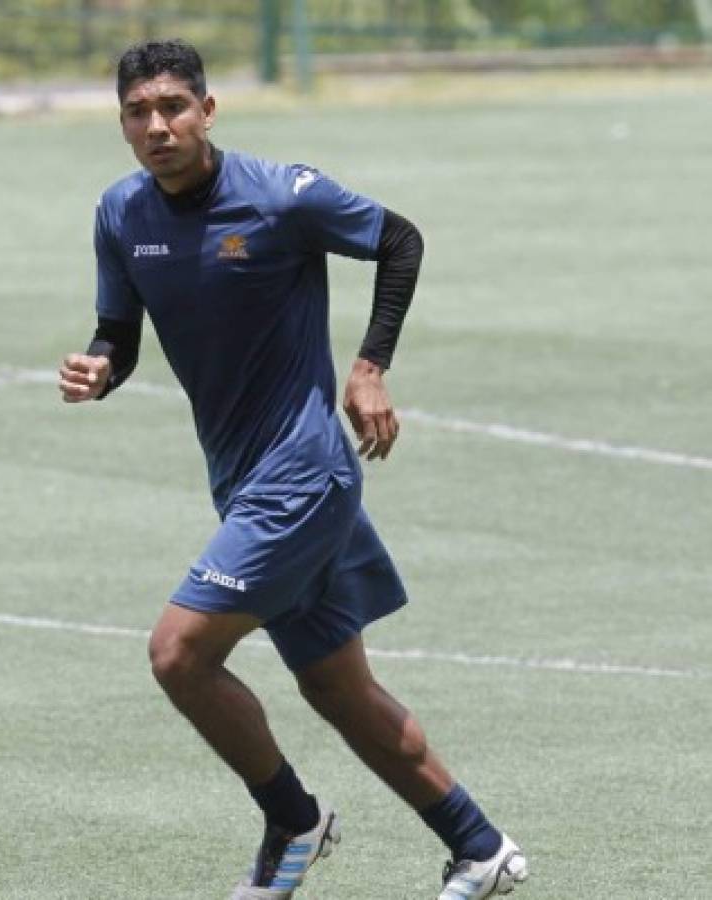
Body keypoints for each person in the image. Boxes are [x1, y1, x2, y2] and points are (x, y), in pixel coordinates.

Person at [59, 39, 528, 900]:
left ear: (207, 110)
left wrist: (369, 365)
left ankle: (292, 820)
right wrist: (98, 368)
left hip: (304, 478)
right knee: (334, 687)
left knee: (177, 655)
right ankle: (480, 847)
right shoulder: (121, 213)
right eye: (137, 112)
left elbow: (399, 239)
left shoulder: (280, 195)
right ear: (121, 123)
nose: (157, 125)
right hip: (244, 479)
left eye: (173, 106)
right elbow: (116, 334)